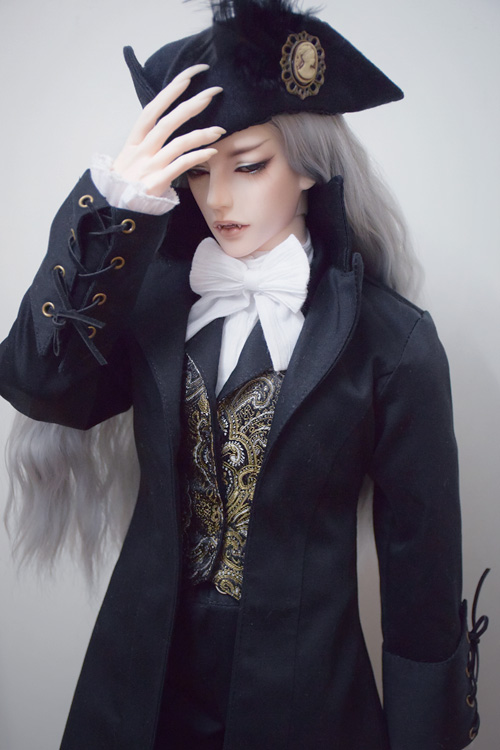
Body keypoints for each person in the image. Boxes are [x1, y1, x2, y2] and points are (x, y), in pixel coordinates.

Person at [0, 1, 489, 748]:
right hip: (141, 690)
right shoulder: (153, 305)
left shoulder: (392, 343)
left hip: (307, 702)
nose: (219, 198)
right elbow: (39, 384)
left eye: (250, 164)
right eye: (197, 171)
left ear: (308, 163)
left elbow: (420, 579)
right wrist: (117, 203)